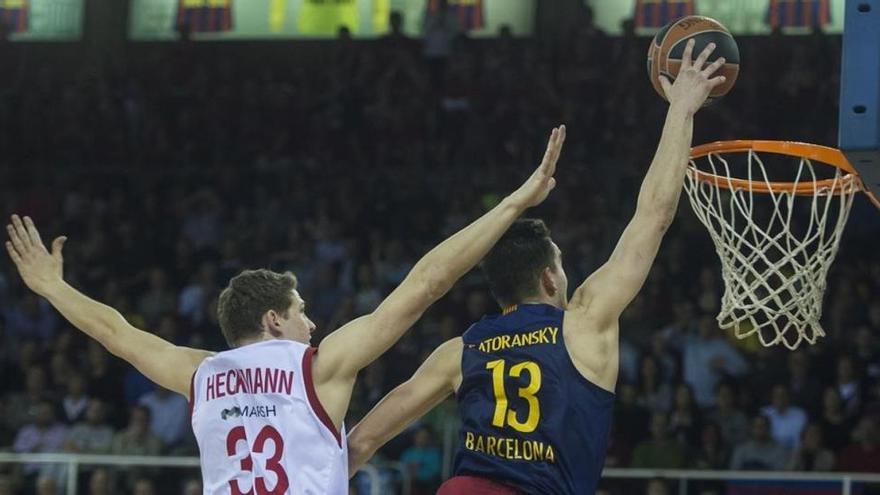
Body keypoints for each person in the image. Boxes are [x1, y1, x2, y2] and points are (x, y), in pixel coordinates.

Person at [4, 125, 565, 495]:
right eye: (301, 310)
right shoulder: (317, 368)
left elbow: (115, 332)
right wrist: (515, 202)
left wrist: (54, 288)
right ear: (274, 318)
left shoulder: (200, 374)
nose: (311, 322)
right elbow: (426, 283)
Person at [348, 40, 728, 494]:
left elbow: (363, 440)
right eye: (562, 265)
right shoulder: (584, 326)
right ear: (550, 276)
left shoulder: (460, 350)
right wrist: (682, 110)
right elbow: (653, 217)